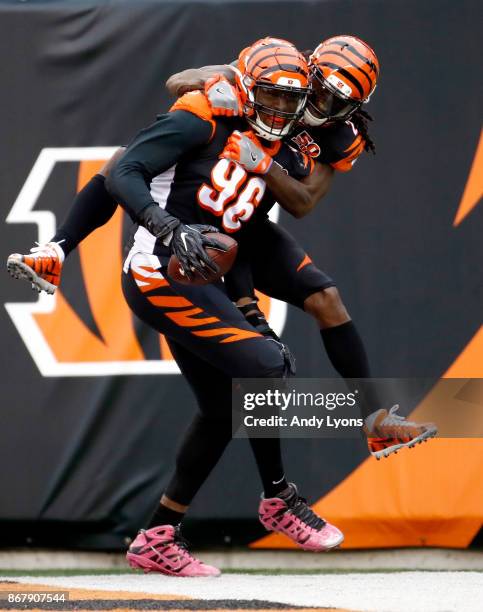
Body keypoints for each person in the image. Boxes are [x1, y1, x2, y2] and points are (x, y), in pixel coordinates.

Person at [7, 35, 436, 459]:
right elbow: (182, 81)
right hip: (206, 203)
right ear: (309, 72)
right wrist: (214, 83)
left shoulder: (340, 135)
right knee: (126, 160)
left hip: (248, 212)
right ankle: (58, 250)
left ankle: (372, 418)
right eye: (320, 92)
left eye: (338, 105)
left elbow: (303, 202)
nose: (322, 108)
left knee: (326, 298)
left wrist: (264, 164)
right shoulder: (275, 72)